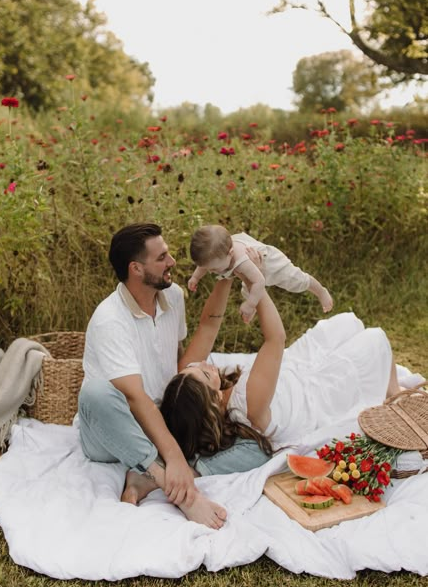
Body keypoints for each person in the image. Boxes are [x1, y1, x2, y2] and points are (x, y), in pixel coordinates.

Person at [77, 223, 270, 530]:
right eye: (162, 257)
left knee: (257, 450)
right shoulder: (109, 321)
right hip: (114, 429)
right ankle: (177, 489)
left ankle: (148, 478)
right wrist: (175, 457)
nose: (173, 263)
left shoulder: (173, 297)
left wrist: (227, 275)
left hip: (163, 420)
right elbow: (135, 399)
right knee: (95, 394)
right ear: (136, 269)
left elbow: (189, 353)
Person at [161, 279, 402, 461]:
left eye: (192, 367)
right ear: (213, 401)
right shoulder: (248, 404)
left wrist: (227, 274)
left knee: (346, 323)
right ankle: (392, 394)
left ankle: (386, 385)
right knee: (375, 340)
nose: (201, 363)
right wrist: (256, 282)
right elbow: (276, 337)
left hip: (292, 371)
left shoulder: (187, 384)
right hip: (312, 398)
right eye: (204, 373)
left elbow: (209, 323)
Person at [188, 225, 333, 323]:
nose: (212, 272)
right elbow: (204, 266)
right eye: (209, 269)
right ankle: (251, 310)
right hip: (248, 271)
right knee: (247, 291)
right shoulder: (218, 254)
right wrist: (196, 277)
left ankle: (320, 291)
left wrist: (250, 304)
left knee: (296, 281)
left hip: (270, 264)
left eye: (214, 269)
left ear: (230, 253)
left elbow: (259, 281)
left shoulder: (242, 260)